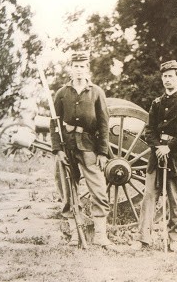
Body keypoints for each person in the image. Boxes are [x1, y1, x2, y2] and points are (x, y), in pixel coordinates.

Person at [132, 60, 177, 252]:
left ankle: (173, 238)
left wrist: (168, 147)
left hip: (175, 157)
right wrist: (159, 146)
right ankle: (144, 238)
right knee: (148, 197)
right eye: (165, 76)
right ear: (162, 79)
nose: (168, 80)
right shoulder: (157, 103)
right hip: (156, 157)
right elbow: (149, 131)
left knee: (174, 199)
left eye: (171, 76)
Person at [50, 51, 112, 247]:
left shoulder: (96, 92)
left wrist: (102, 152)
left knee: (98, 189)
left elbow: (103, 124)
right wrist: (58, 150)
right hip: (67, 147)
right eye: (75, 66)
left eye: (82, 66)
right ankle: (76, 233)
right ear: (71, 69)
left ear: (87, 69)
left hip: (89, 147)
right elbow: (55, 124)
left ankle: (101, 235)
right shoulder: (61, 93)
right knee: (67, 191)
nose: (78, 70)